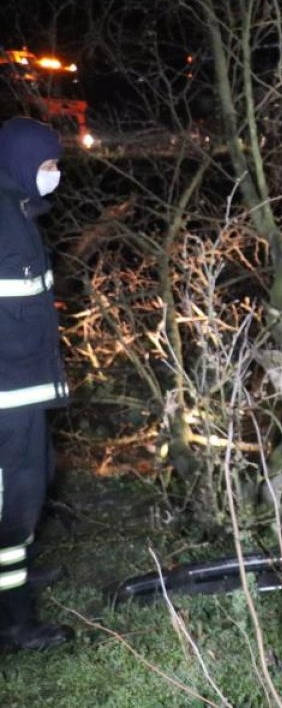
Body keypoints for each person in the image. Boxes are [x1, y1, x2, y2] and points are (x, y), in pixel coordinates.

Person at [0, 117, 73, 652]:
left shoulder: (17, 212)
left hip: (23, 391)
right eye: (48, 166)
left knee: (36, 480)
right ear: (25, 164)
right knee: (12, 503)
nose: (55, 175)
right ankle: (15, 621)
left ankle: (18, 573)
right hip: (6, 396)